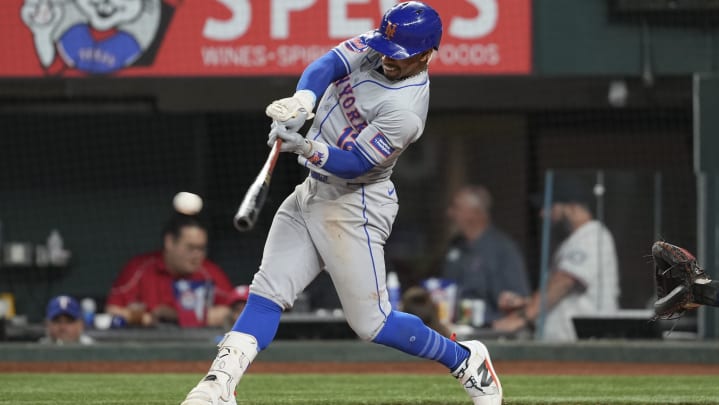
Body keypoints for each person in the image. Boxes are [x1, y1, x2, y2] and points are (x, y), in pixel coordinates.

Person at [181, 3, 502, 405]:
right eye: (387, 47)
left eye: (399, 55)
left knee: (372, 323)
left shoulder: (406, 111)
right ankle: (218, 385)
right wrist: (303, 101)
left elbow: (356, 165)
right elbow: (327, 64)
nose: (388, 57)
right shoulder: (382, 44)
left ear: (426, 55)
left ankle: (466, 360)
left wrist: (307, 147)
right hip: (313, 191)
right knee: (267, 292)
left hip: (356, 203)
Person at [494, 175, 620, 341]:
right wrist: (525, 303)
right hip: (569, 344)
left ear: (572, 207)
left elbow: (563, 282)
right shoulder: (573, 240)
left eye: (550, 207)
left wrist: (522, 317)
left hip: (586, 345)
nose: (543, 214)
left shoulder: (593, 235)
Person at [106, 213, 234, 328]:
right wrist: (148, 318)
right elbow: (112, 309)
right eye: (190, 247)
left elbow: (234, 313)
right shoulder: (140, 268)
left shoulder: (209, 272)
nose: (197, 255)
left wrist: (176, 316)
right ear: (169, 242)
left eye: (201, 249)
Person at [442, 185, 531, 327]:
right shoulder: (455, 246)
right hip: (454, 330)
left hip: (489, 333)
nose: (449, 213)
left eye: (456, 208)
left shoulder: (502, 250)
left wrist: (511, 303)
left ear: (475, 213)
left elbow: (520, 301)